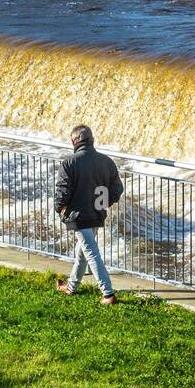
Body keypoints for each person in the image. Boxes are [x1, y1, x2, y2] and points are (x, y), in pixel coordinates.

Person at [54, 124, 124, 304]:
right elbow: (117, 188)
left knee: (90, 252)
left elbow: (62, 192)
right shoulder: (106, 161)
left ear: (73, 141)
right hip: (98, 212)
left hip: (79, 216)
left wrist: (59, 208)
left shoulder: (69, 163)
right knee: (83, 251)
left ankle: (108, 293)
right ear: (92, 140)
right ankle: (71, 287)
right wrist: (106, 202)